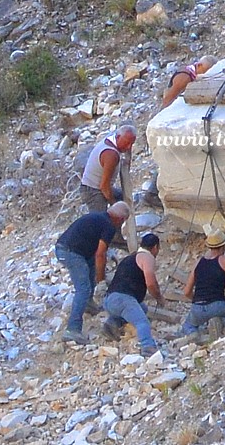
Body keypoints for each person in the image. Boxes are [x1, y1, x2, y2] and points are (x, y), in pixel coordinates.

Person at [55, 202, 131, 345]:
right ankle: (72, 329)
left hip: (70, 248)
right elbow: (100, 255)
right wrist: (101, 281)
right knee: (82, 289)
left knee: (89, 267)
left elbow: (97, 249)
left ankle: (88, 304)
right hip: (70, 253)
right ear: (120, 219)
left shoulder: (99, 216)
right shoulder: (109, 226)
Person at [101, 233, 166, 357]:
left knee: (143, 308)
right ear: (155, 247)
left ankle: (111, 323)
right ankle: (147, 346)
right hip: (123, 299)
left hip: (109, 300)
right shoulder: (147, 258)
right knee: (142, 322)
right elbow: (151, 283)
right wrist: (159, 298)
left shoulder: (130, 258)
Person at [182, 228, 225, 340]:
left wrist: (198, 302)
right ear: (224, 246)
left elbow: (186, 292)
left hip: (197, 307)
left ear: (209, 246)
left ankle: (193, 333)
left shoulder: (198, 262)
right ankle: (222, 322)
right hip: (217, 305)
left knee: (188, 324)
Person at [80, 125, 137, 213]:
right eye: (127, 143)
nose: (129, 147)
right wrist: (114, 205)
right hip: (93, 190)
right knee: (101, 221)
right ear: (118, 137)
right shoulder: (111, 155)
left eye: (131, 144)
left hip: (97, 187)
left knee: (121, 197)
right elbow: (104, 187)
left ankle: (126, 225)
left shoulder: (112, 139)